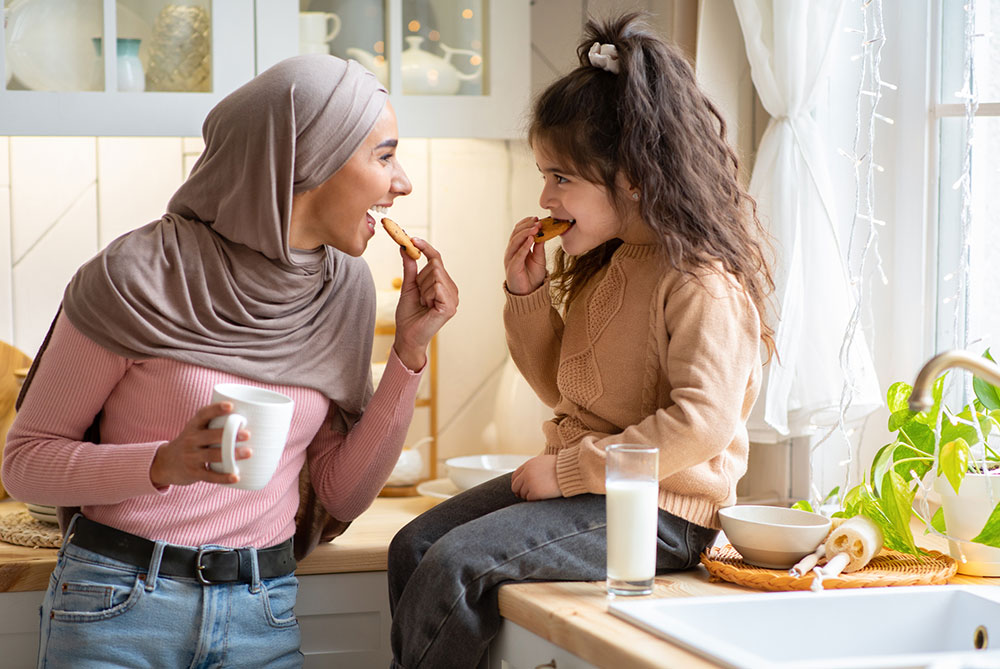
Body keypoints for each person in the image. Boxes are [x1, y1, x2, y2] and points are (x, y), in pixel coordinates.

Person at [2, 54, 458, 668]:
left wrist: (409, 351)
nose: (401, 181)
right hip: (115, 608)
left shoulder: (343, 288)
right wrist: (164, 462)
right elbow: (26, 465)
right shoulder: (137, 275)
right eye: (384, 155)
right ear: (310, 157)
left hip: (261, 611)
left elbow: (340, 495)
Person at [387, 12, 775, 669]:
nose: (544, 195)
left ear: (635, 177)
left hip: (662, 514)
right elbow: (566, 390)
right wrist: (527, 296)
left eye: (561, 177)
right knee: (414, 544)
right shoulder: (612, 259)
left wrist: (568, 468)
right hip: (594, 491)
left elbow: (700, 423)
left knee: (454, 562)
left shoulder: (702, 280)